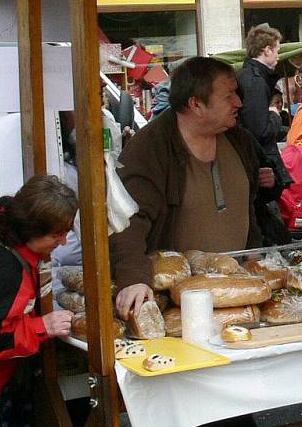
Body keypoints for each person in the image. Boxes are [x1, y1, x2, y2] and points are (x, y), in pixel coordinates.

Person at [110, 56, 283, 319]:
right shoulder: (150, 149)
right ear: (196, 105)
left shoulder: (239, 140)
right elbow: (127, 220)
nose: (239, 102)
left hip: (237, 291)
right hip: (179, 303)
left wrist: (254, 256)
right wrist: (133, 277)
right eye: (228, 96)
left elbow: (253, 203)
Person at [0, 175, 76, 427]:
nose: (63, 242)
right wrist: (41, 327)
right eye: (57, 235)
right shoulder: (5, 267)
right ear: (32, 231)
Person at [236, 23, 292, 186]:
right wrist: (274, 115)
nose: (278, 56)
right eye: (277, 51)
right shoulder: (256, 81)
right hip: (260, 165)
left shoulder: (251, 77)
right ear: (267, 50)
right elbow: (260, 131)